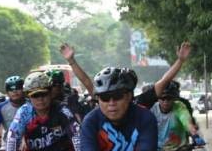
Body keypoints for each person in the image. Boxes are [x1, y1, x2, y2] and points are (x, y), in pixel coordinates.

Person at [61, 41, 193, 107]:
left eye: (118, 96)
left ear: (129, 96)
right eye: (106, 98)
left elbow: (164, 81)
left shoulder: (137, 104)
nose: (111, 104)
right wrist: (71, 61)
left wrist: (180, 61)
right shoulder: (95, 118)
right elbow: (87, 82)